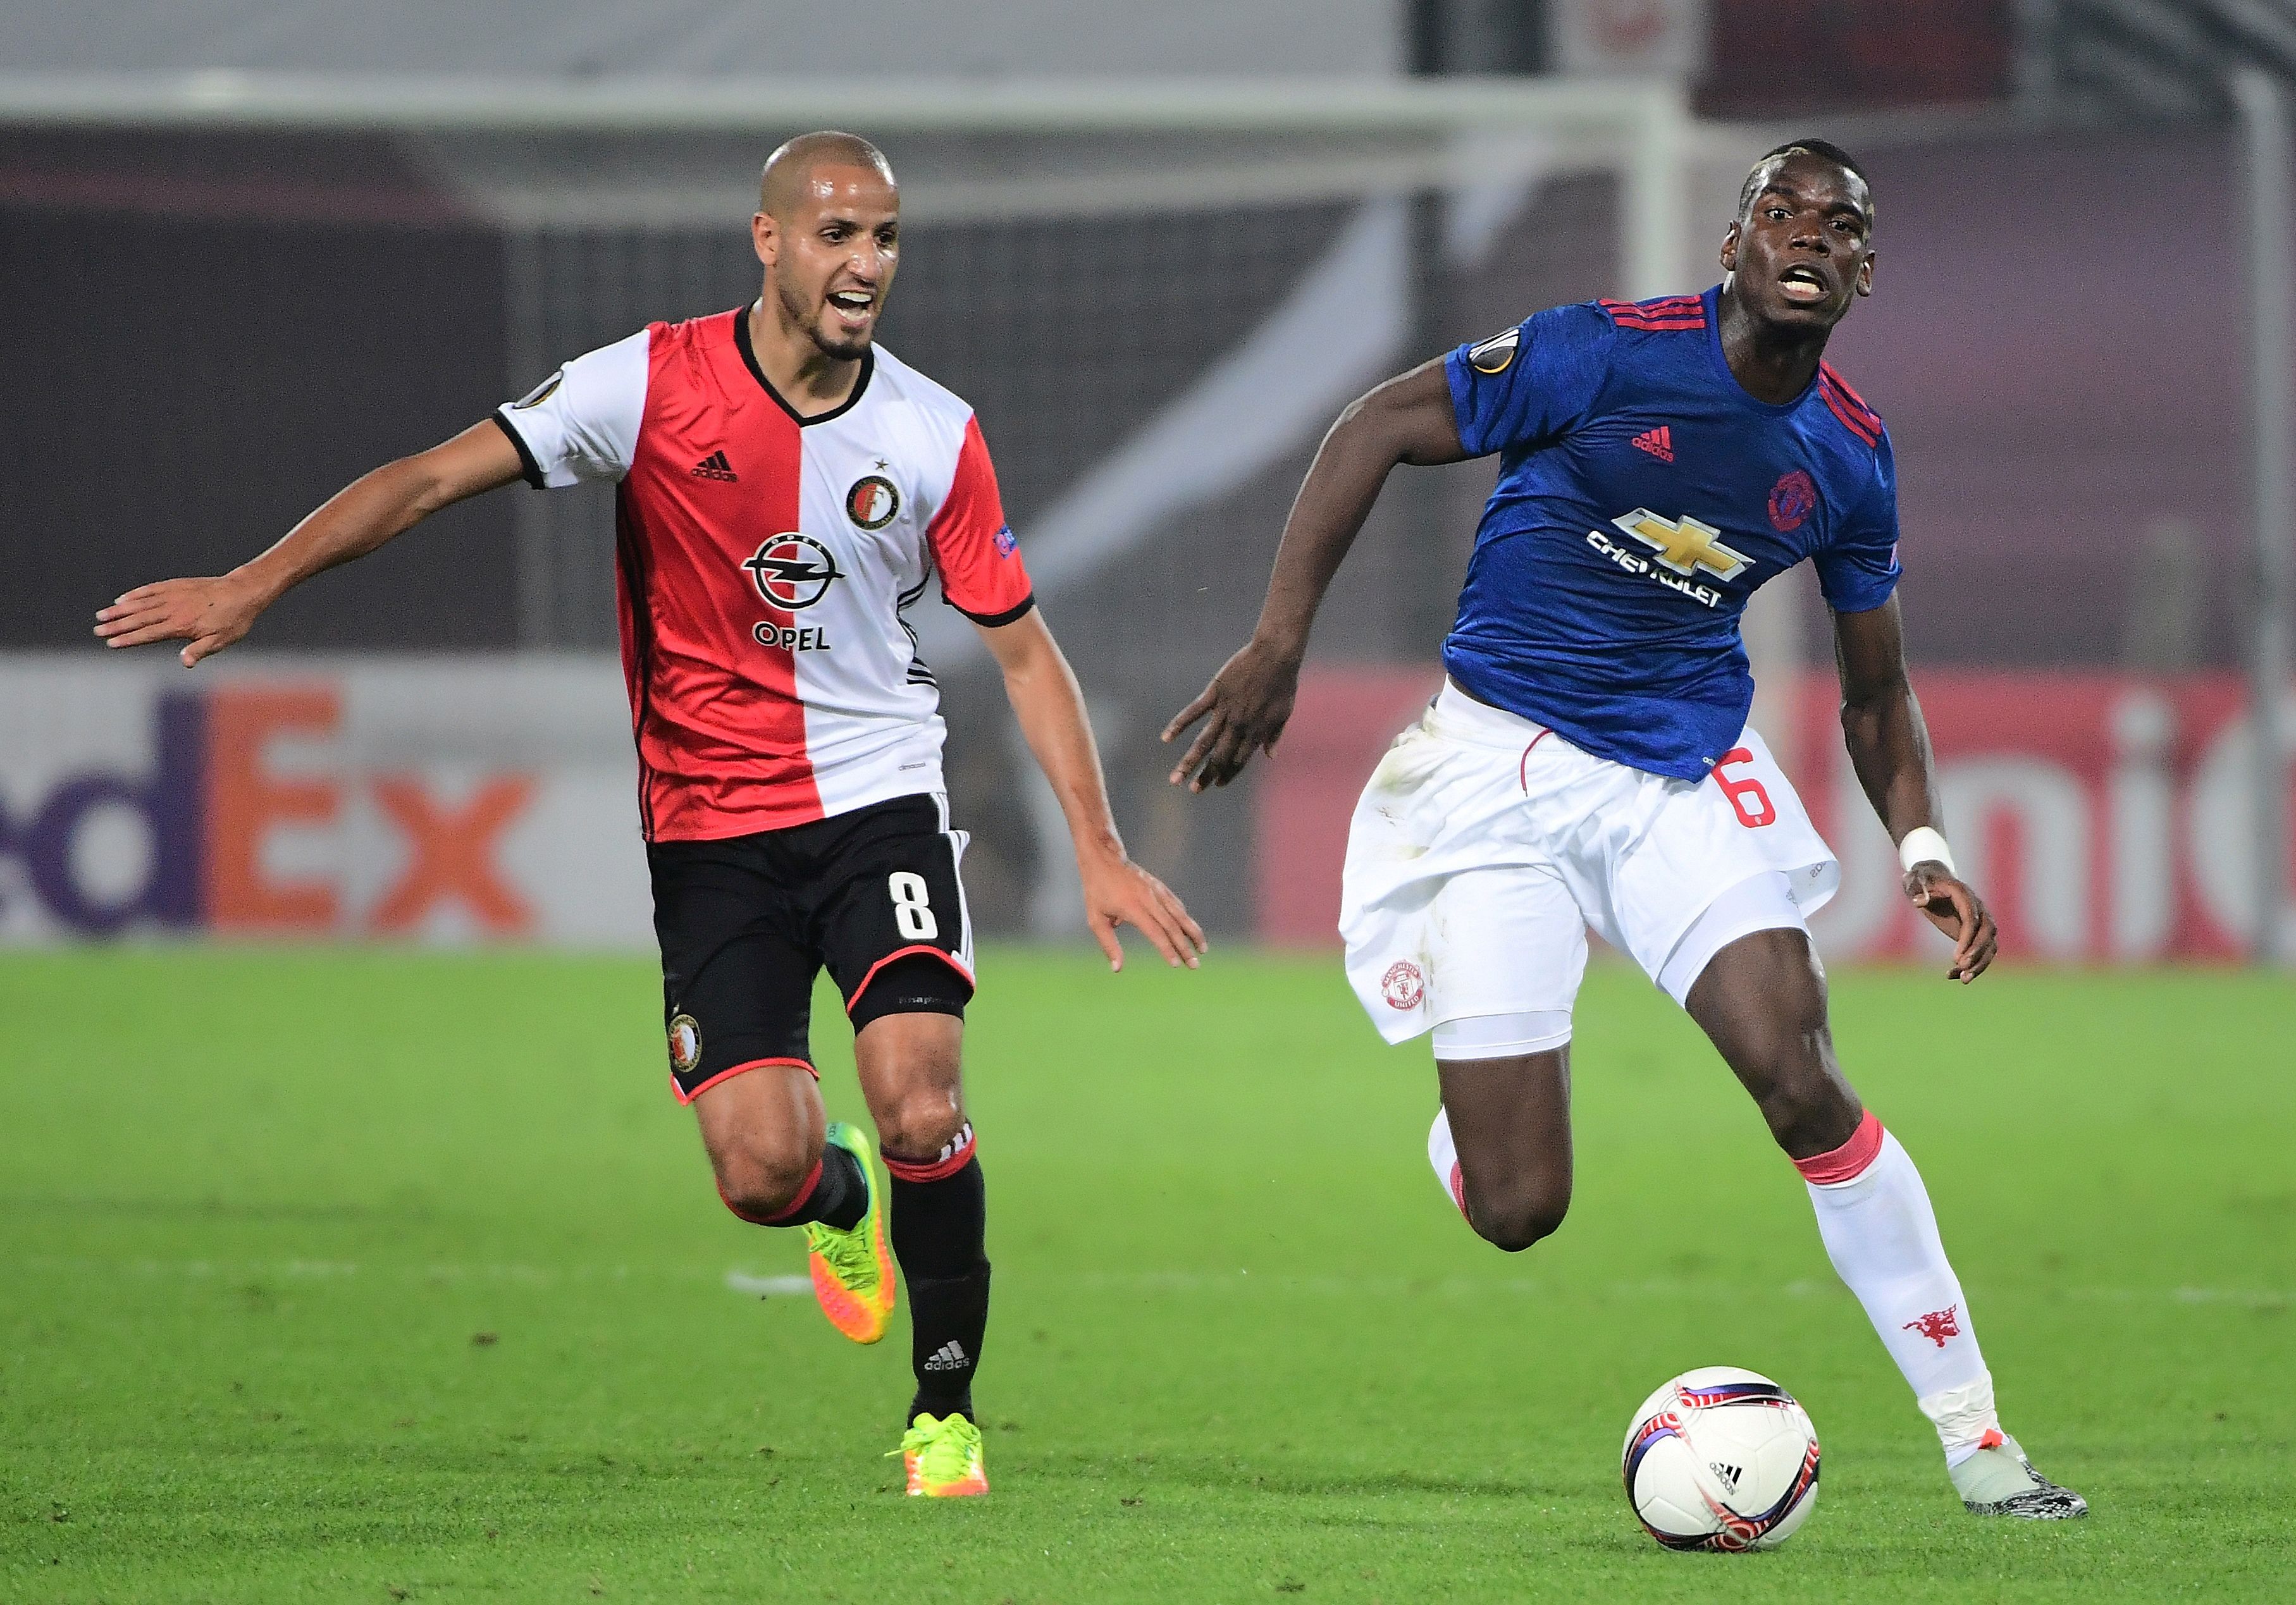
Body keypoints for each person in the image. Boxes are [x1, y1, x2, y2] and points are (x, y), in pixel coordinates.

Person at [96, 130, 1204, 1499]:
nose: (866, 265)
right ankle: (837, 1201)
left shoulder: (932, 431)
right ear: (770, 240)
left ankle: (946, 1411)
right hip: (709, 833)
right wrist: (257, 583)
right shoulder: (648, 383)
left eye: (887, 238)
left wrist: (1096, 848)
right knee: (759, 1170)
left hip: (877, 802)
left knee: (922, 1095)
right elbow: (437, 475)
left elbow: (1025, 652)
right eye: (839, 235)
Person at [1163, 140, 2083, 1522]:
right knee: (1520, 1208)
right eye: (1781, 210)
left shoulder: (1848, 453)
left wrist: (1928, 854)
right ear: (1734, 240)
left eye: (1840, 225)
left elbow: (1879, 691)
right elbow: (1372, 428)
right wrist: (1279, 644)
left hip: (1678, 770)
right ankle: (1474, 1121)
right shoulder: (1598, 353)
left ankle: (1978, 1439)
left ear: (1864, 273)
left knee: (1801, 1075)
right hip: (1495, 772)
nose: (1808, 235)